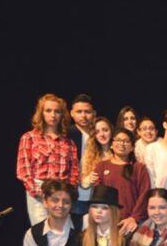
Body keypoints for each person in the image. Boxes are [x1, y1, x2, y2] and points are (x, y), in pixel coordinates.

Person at [17, 94, 79, 224]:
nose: (53, 115)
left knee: (63, 232)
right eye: (48, 110)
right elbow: (23, 171)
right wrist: (40, 193)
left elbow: (74, 171)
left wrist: (67, 193)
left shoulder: (68, 142)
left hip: (62, 190)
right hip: (39, 190)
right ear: (41, 113)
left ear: (62, 115)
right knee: (42, 232)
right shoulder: (29, 138)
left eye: (57, 111)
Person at [94, 128, 151, 235]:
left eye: (126, 141)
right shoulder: (101, 166)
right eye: (118, 140)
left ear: (132, 147)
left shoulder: (139, 168)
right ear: (111, 144)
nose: (122, 143)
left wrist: (134, 218)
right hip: (106, 221)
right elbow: (98, 196)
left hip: (131, 223)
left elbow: (145, 194)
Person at [69, 94, 97, 215]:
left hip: (96, 193)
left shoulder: (99, 133)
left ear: (94, 113)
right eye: (79, 112)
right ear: (72, 113)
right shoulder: (67, 134)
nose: (83, 115)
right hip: (74, 193)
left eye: (87, 112)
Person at [79, 117, 114, 203]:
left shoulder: (119, 152)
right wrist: (88, 179)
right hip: (96, 199)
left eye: (105, 130)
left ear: (111, 131)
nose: (102, 134)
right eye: (97, 132)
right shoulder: (88, 155)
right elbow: (82, 182)